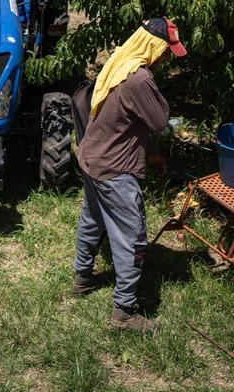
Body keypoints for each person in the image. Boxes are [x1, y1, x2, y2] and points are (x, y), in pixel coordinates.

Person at [70, 18, 187, 332]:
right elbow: (160, 121)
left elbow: (123, 120)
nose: (166, 58)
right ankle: (124, 313)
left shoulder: (120, 60)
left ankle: (82, 279)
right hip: (114, 169)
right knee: (131, 239)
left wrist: (148, 152)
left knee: (92, 220)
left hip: (92, 156)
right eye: (166, 51)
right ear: (153, 46)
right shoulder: (139, 79)